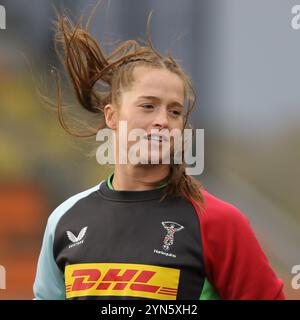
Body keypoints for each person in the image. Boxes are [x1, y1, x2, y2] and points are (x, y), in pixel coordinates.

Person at [33, 7, 285, 300]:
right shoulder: (64, 220)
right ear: (112, 116)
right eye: (148, 105)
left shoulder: (219, 223)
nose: (162, 120)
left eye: (174, 111)